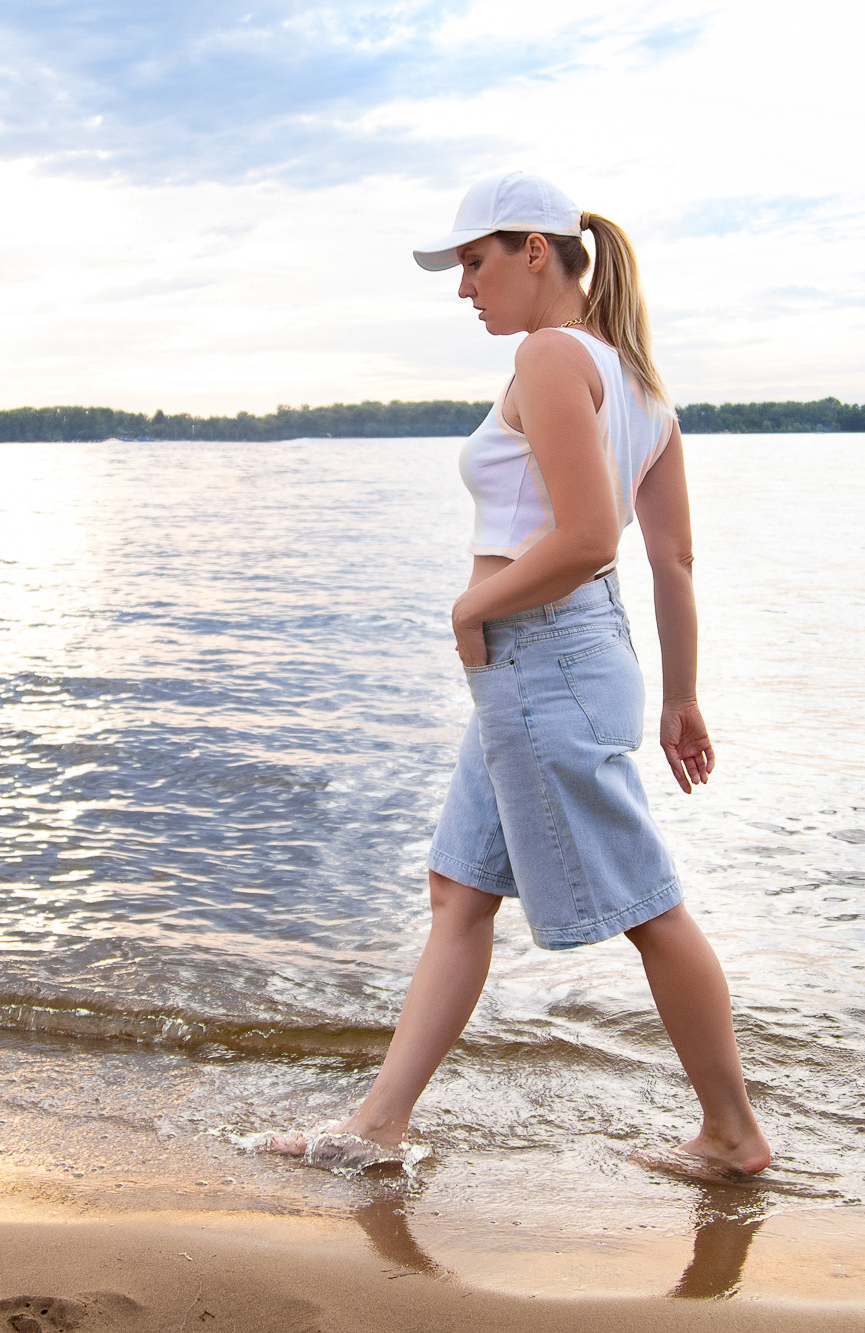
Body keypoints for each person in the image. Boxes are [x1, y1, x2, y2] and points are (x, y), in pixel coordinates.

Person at [265, 171, 771, 1179]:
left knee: (646, 905)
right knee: (458, 891)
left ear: (532, 249)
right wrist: (678, 696)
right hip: (567, 660)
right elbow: (667, 561)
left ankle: (731, 1134)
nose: (463, 287)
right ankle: (377, 1126)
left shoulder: (549, 356)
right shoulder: (635, 381)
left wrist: (469, 608)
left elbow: (586, 538)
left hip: (539, 656)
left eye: (472, 260)